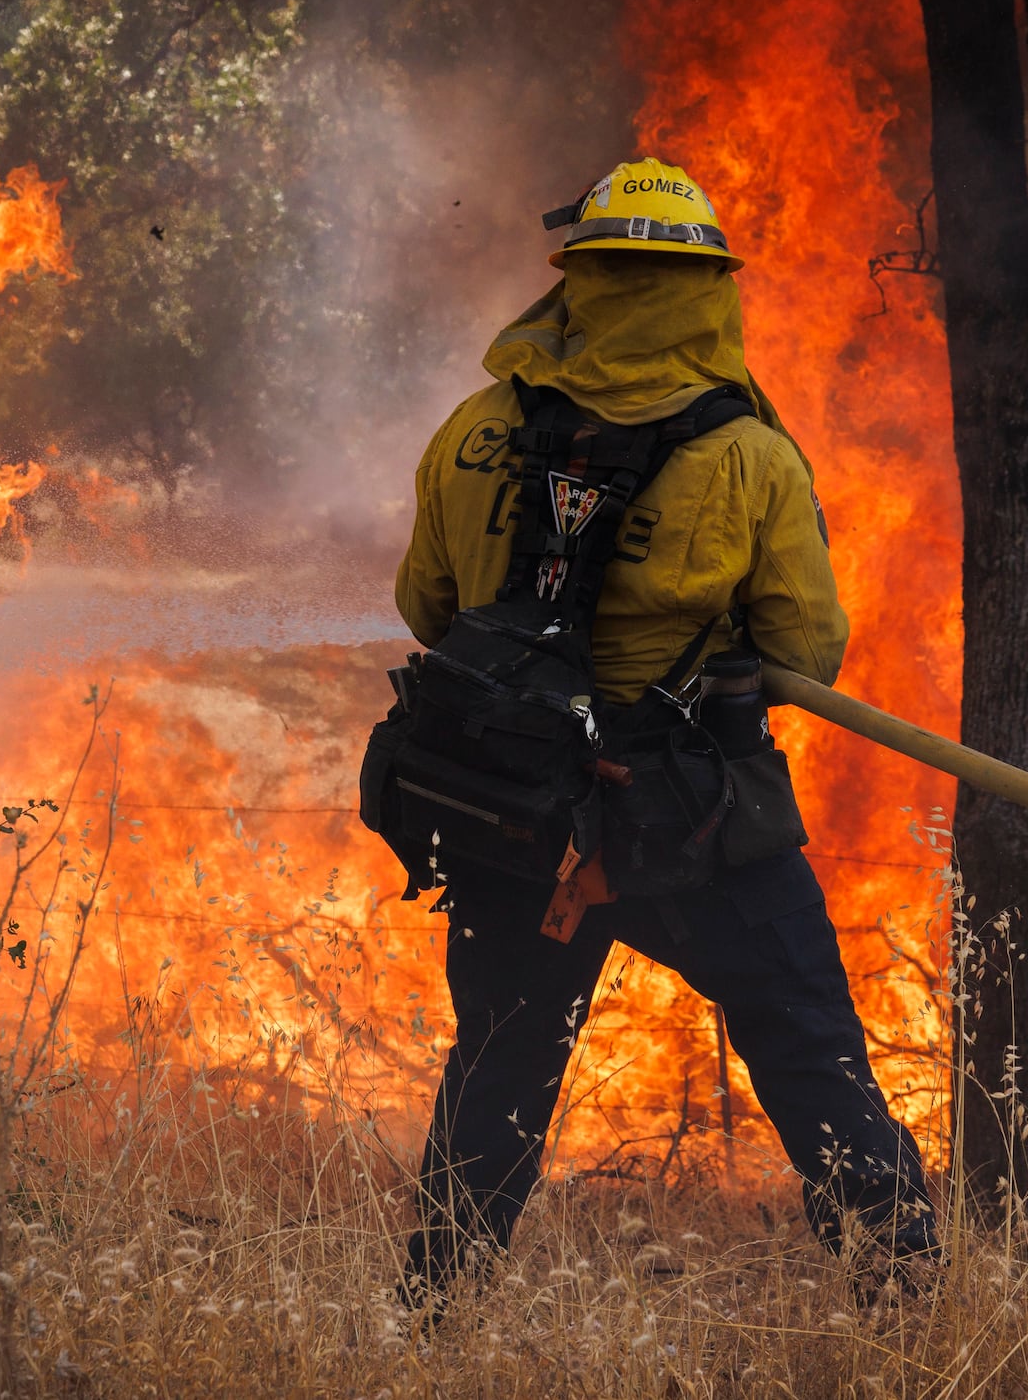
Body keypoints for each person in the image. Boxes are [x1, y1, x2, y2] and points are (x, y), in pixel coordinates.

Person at [385, 156, 938, 1305]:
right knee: (806, 1049)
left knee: (497, 1069)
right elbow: (807, 650)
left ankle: (429, 1312)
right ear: (707, 291)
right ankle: (909, 1305)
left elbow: (427, 610)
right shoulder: (746, 457)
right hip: (682, 816)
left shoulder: (473, 429)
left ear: (574, 285)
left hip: (510, 810)